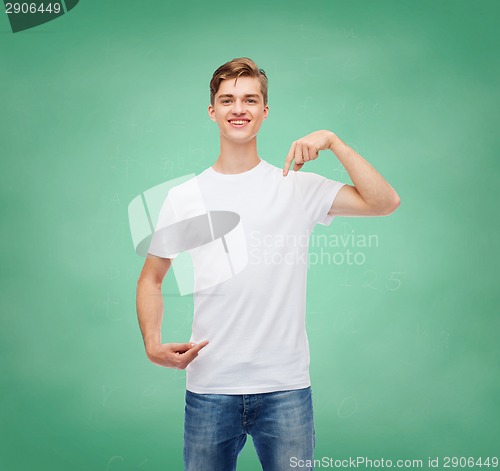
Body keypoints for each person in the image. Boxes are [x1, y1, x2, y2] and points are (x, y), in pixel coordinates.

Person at [136, 57, 400, 471]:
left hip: (285, 389)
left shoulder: (296, 186)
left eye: (250, 99)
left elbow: (384, 202)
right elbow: (151, 278)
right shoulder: (185, 197)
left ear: (264, 111)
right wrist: (152, 345)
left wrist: (334, 141)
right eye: (227, 100)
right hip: (210, 387)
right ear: (212, 111)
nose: (238, 108)